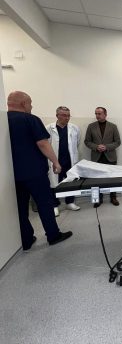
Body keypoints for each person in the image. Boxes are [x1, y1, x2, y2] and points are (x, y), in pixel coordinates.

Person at [7, 91, 73, 250]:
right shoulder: (30, 119)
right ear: (24, 104)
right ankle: (53, 235)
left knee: (20, 209)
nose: (31, 106)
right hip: (34, 173)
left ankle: (26, 239)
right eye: (30, 103)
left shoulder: (3, 120)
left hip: (12, 174)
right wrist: (55, 162)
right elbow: (43, 143)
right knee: (45, 204)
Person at [46, 106, 81, 217]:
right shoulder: (49, 128)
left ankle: (70, 202)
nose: (67, 118)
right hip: (55, 161)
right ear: (57, 116)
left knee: (70, 182)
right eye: (64, 115)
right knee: (53, 184)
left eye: (68, 115)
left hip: (70, 160)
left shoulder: (74, 128)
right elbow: (46, 145)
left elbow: (77, 142)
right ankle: (54, 205)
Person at [84, 107, 121, 207]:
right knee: (96, 180)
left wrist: (106, 147)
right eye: (96, 113)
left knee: (112, 179)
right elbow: (87, 141)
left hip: (110, 157)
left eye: (99, 113)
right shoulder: (91, 126)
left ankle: (113, 197)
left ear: (105, 114)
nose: (97, 116)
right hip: (96, 157)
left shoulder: (113, 126)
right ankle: (97, 199)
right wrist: (96, 147)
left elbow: (118, 142)